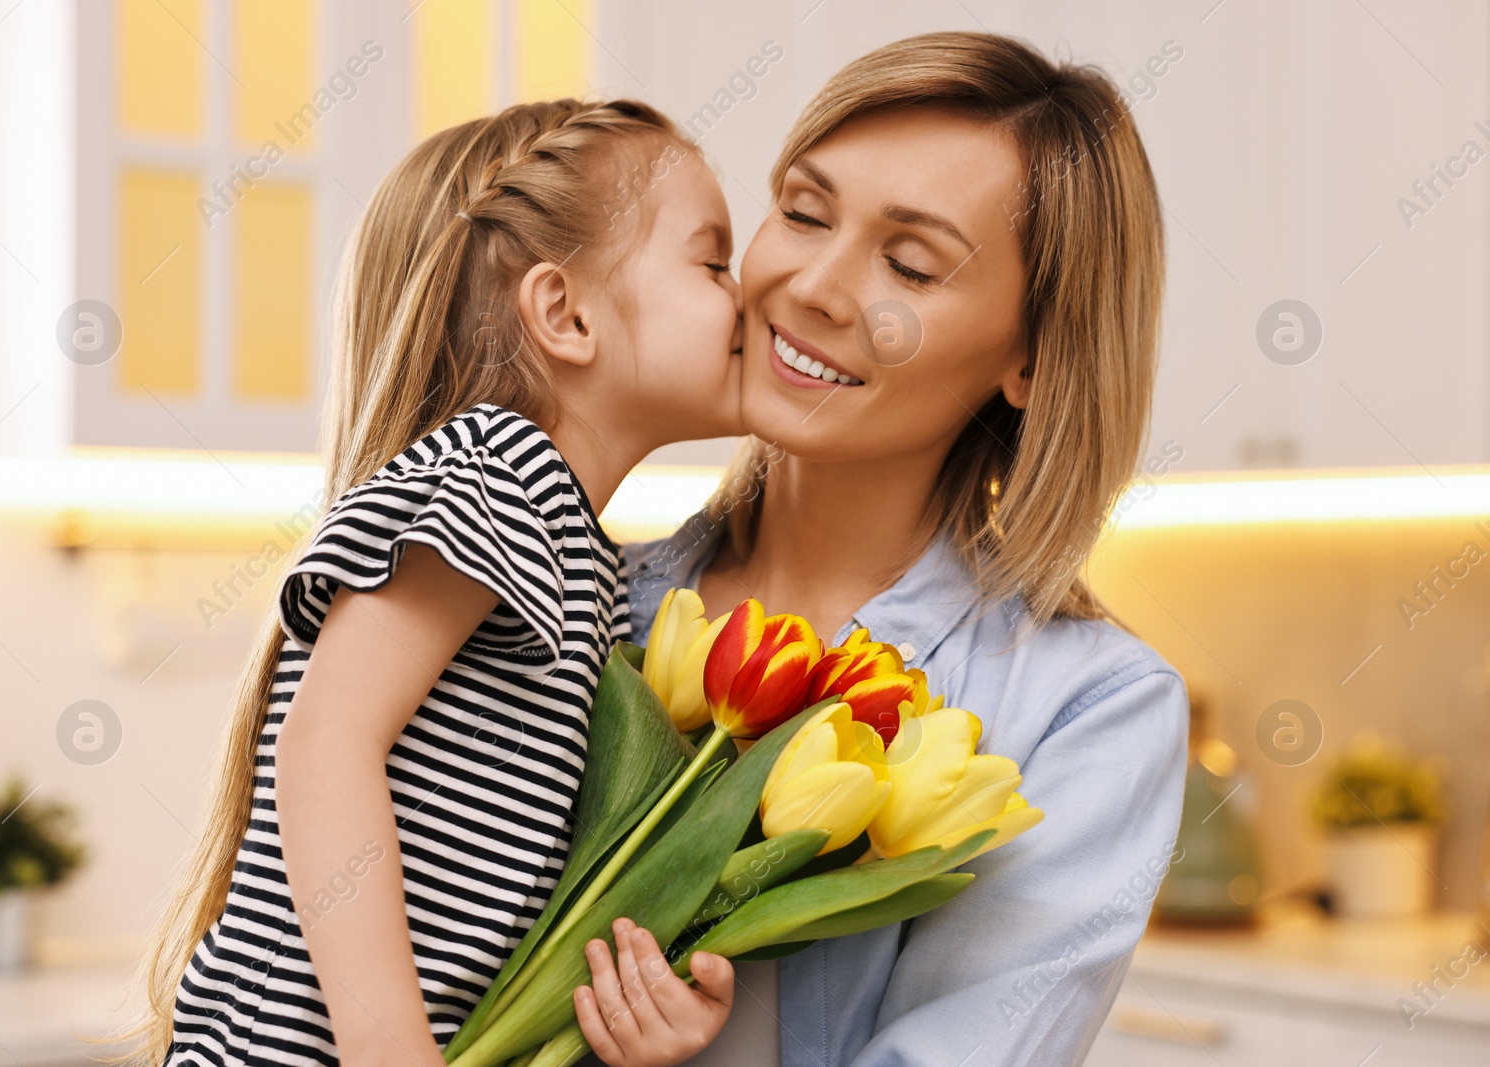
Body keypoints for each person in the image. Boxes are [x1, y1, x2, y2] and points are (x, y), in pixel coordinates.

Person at [125, 98, 746, 1067]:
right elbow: (326, 743)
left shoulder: (567, 539)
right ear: (565, 313)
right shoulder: (502, 473)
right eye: (711, 262)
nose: (745, 296)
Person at [625, 33, 1188, 1067]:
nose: (814, 285)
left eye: (911, 263)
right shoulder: (581, 600)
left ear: (1031, 355)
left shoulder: (1087, 710)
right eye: (800, 212)